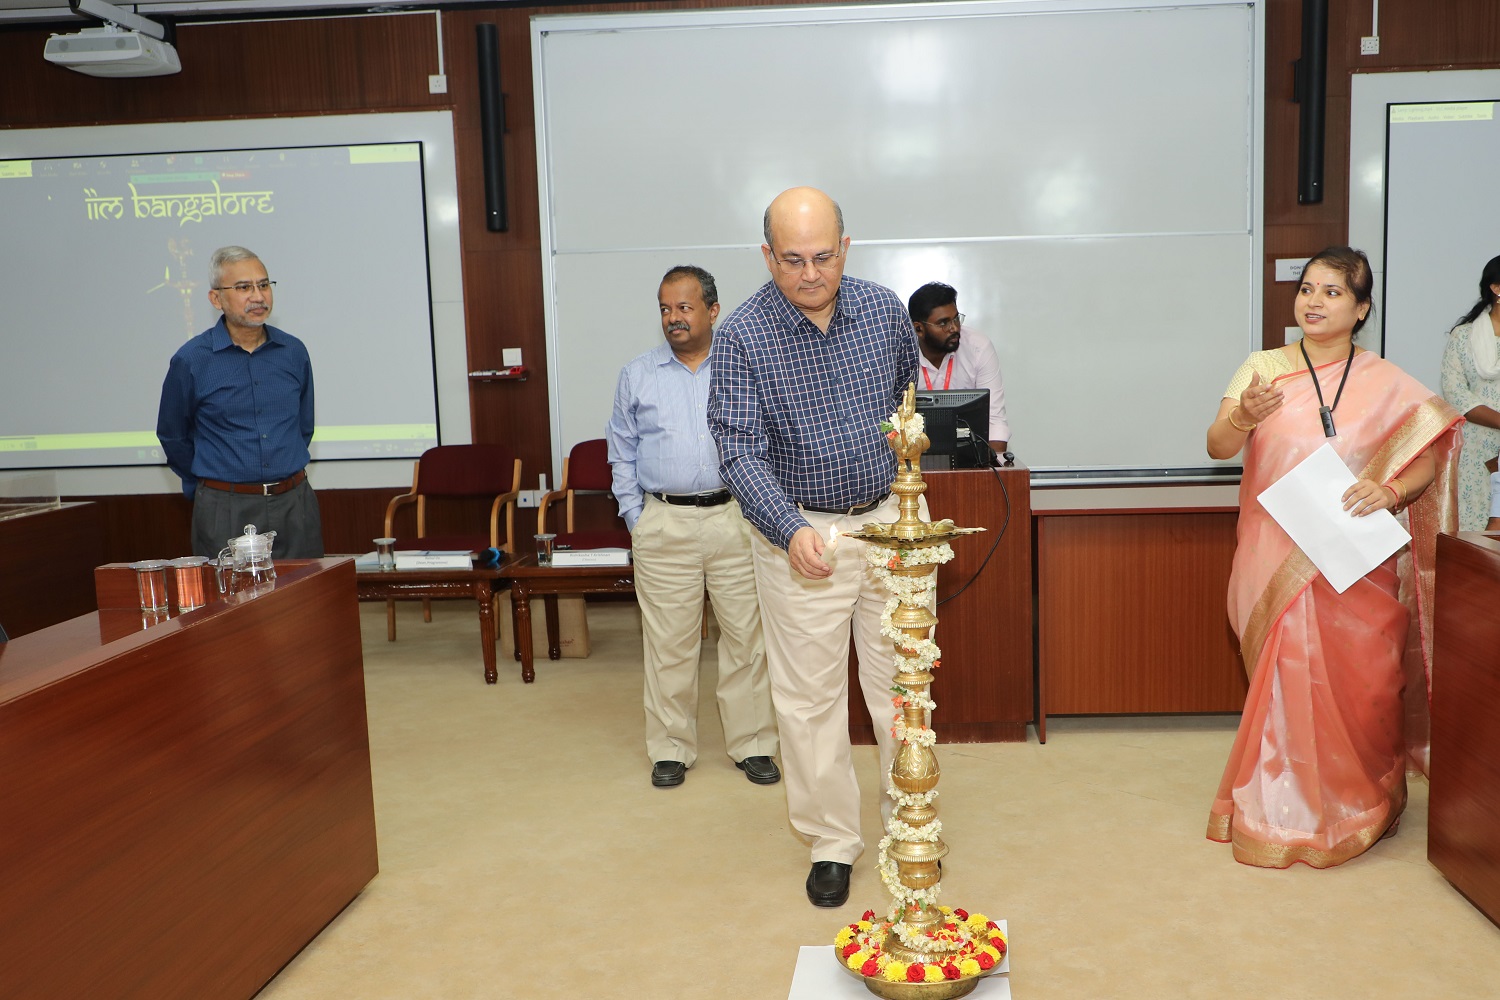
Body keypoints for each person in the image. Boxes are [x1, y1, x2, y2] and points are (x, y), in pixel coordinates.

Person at [1204, 246, 1462, 869]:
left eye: (1331, 293)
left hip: (1354, 557)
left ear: (1361, 308)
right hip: (1275, 551)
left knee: (1365, 683)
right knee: (1285, 680)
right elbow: (1217, 446)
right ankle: (1277, 812)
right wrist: (1243, 414)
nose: (1313, 302)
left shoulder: (1387, 379)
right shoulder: (1263, 368)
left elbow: (1425, 458)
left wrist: (1391, 491)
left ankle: (1359, 803)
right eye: (1307, 290)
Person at [708, 187, 920, 907]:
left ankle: (908, 820)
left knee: (902, 684)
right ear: (767, 256)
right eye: (792, 259)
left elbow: (908, 406)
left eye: (823, 257)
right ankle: (833, 841)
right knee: (808, 701)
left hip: (888, 523)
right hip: (801, 528)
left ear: (846, 248)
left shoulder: (886, 312)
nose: (809, 273)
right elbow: (737, 451)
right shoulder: (742, 335)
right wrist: (789, 527)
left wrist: (907, 489)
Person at [606, 265, 780, 790]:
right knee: (668, 643)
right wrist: (639, 519)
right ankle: (670, 748)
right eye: (665, 308)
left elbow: (773, 438)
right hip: (665, 523)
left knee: (748, 640)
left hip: (737, 519)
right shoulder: (638, 374)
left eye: (684, 307)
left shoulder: (745, 367)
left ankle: (753, 746)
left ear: (711, 310)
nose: (673, 318)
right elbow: (622, 453)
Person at [157, 246, 323, 560]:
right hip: (226, 506)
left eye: (264, 285)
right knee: (232, 605)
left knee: (305, 601)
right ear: (215, 299)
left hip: (294, 503)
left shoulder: (293, 352)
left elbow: (303, 425)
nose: (258, 296)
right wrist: (210, 484)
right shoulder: (192, 360)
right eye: (244, 287)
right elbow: (173, 436)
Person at [907, 281, 1010, 452]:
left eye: (956, 318)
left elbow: (995, 421)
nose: (954, 328)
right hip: (911, 457)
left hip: (968, 452)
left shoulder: (978, 347)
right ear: (918, 329)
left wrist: (991, 469)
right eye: (943, 323)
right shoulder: (898, 354)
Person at [1439, 254, 1500, 530]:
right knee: (1475, 531)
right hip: (1475, 446)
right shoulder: (1463, 336)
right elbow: (1456, 393)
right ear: (1496, 288)